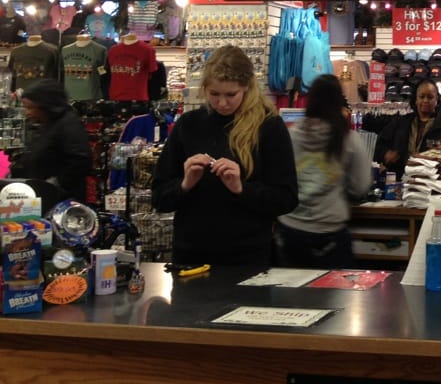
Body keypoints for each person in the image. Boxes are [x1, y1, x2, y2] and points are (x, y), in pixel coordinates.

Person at [151, 45, 298, 268]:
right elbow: (159, 198)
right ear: (204, 89)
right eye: (214, 94)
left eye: (231, 95)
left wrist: (241, 188)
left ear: (246, 88)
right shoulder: (188, 124)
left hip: (247, 258)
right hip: (190, 256)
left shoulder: (268, 127)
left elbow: (286, 199)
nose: (222, 103)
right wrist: (185, 184)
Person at [275, 74, 371, 269]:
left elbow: (279, 179)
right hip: (329, 232)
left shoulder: (290, 135)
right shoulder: (348, 139)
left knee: (289, 289)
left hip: (290, 230)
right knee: (335, 289)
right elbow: (360, 187)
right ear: (339, 101)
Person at [11, 80, 91, 204]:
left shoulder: (68, 124)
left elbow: (80, 160)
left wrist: (55, 183)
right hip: (42, 197)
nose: (28, 113)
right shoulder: (48, 124)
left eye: (31, 108)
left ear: (46, 105)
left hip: (62, 201)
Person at [373, 79, 441, 178]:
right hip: (402, 180)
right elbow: (378, 146)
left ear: (436, 100)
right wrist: (386, 154)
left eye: (430, 97)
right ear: (416, 99)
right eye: (422, 96)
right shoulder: (400, 123)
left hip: (433, 181)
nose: (425, 100)